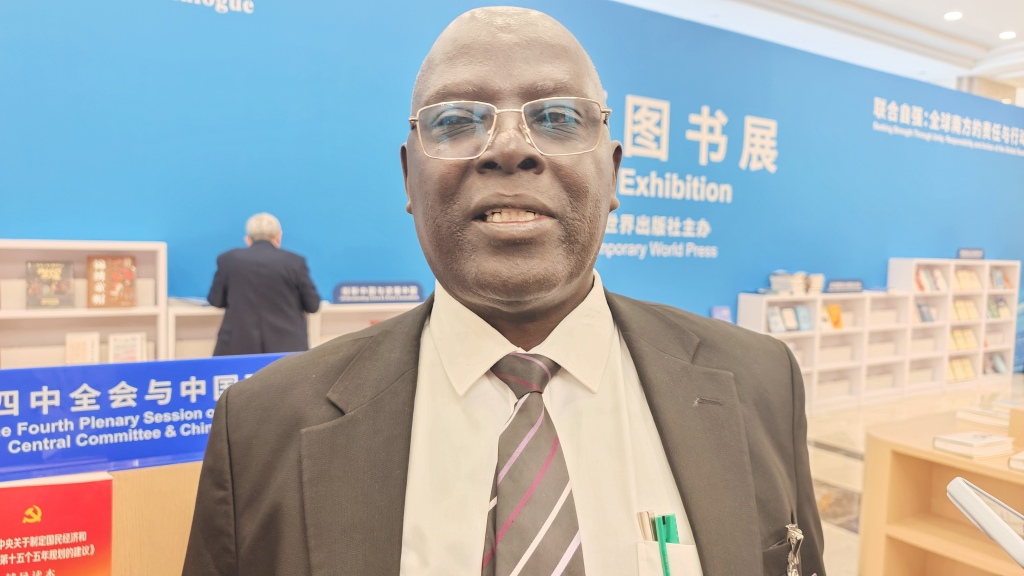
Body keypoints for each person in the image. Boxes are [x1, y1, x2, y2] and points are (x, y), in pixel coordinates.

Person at [183, 8, 825, 576]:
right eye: (457, 120)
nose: (511, 149)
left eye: (558, 117)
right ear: (408, 178)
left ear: (613, 175)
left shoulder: (761, 383)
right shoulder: (262, 428)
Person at [206, 212, 321, 355]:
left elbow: (216, 300)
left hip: (238, 348)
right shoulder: (295, 262)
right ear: (278, 236)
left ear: (248, 239)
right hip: (287, 349)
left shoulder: (228, 259)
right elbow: (312, 305)